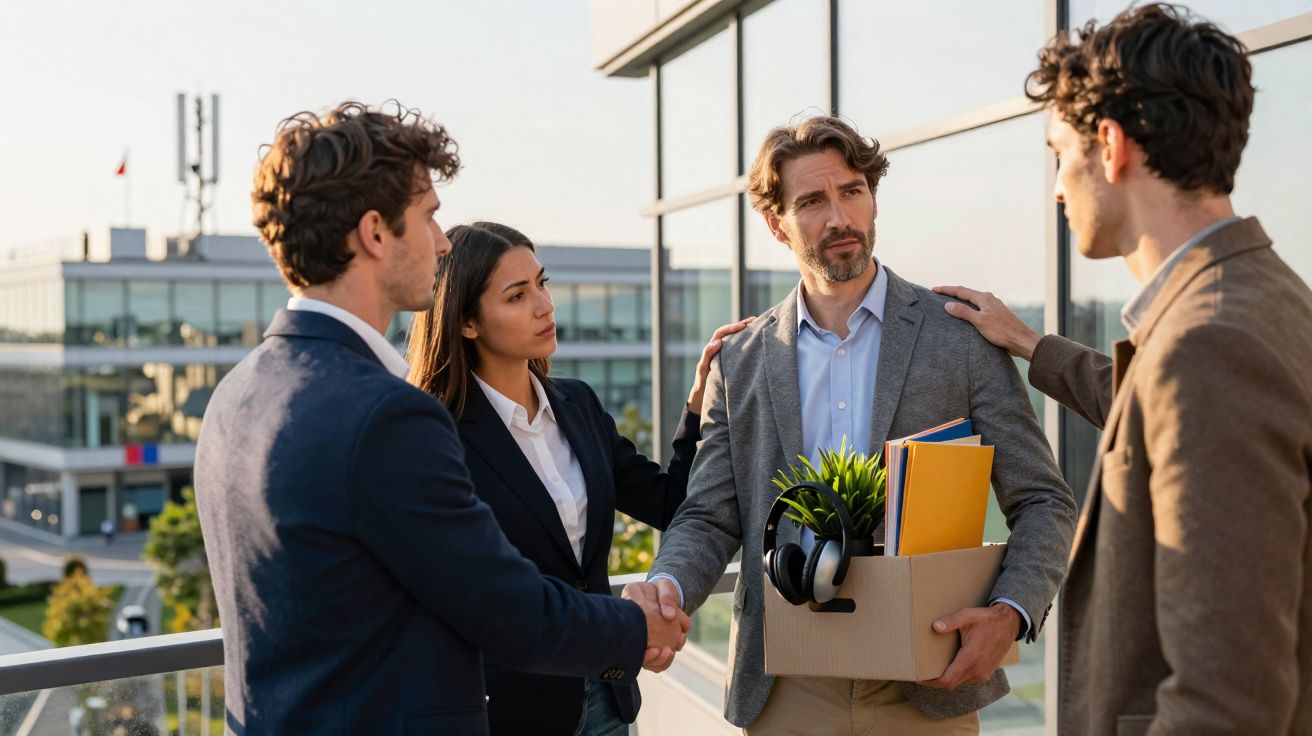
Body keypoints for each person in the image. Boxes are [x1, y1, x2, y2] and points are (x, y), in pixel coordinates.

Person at [193, 101, 689, 736]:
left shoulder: (236, 393)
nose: (442, 241)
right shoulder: (389, 415)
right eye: (427, 217)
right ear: (376, 233)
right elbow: (506, 609)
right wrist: (639, 624)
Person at [627, 115, 1077, 734]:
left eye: (852, 191)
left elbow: (1044, 500)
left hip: (929, 676)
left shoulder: (962, 341)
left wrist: (1009, 612)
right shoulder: (741, 359)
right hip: (785, 684)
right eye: (812, 201)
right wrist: (666, 590)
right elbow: (707, 515)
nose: (840, 217)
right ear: (775, 223)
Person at [935, 5, 1312, 734]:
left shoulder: (1207, 347)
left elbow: (1224, 703)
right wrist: (1029, 343)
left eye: (1058, 155)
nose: (1055, 189)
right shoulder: (1262, 297)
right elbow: (1160, 415)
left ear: (1109, 146)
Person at [405, 221, 752, 735]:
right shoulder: (438, 435)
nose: (545, 306)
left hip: (605, 694)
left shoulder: (577, 404)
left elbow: (672, 503)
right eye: (517, 296)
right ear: (467, 323)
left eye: (541, 283)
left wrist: (698, 406)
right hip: (506, 711)